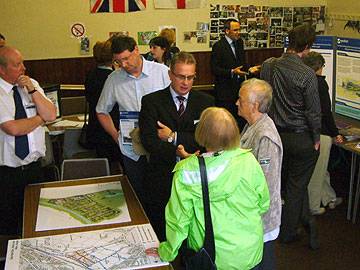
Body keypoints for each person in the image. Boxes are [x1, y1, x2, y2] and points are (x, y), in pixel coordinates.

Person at [158, 107, 270, 270]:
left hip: (213, 259)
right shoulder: (248, 160)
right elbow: (263, 203)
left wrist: (167, 251)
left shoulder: (187, 171)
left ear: (201, 132)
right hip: (250, 253)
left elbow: (178, 221)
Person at [139, 52, 214, 241]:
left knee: (193, 233)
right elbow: (149, 141)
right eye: (181, 76)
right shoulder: (151, 102)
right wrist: (181, 152)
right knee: (162, 232)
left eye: (190, 77)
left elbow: (206, 141)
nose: (186, 82)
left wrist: (173, 137)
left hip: (195, 180)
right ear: (170, 75)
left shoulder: (206, 102)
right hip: (162, 177)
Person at [260, 24, 321, 249]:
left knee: (280, 183)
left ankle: (302, 222)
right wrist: (316, 138)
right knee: (297, 186)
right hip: (301, 137)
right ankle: (287, 232)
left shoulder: (269, 65)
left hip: (274, 136)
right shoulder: (307, 73)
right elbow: (313, 111)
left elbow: (265, 99)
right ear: (307, 47)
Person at [96, 36, 170, 203]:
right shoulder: (114, 79)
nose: (123, 65)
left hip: (159, 143)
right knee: (137, 196)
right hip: (130, 148)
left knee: (161, 195)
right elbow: (101, 111)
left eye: (126, 58)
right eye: (117, 61)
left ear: (136, 50)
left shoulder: (161, 72)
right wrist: (116, 136)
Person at [0, 46, 57, 235]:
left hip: (34, 168)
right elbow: (13, 128)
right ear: (2, 69)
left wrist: (32, 90)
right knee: (11, 227)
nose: (23, 68)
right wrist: (40, 119)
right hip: (8, 174)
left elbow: (51, 113)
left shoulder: (31, 84)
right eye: (17, 65)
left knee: (36, 222)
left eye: (22, 62)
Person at [237, 78, 282, 270]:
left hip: (261, 222)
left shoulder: (266, 137)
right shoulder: (251, 125)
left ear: (254, 105)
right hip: (249, 219)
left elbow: (266, 186)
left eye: (241, 99)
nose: (236, 102)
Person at [303, 52, 344, 215]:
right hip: (321, 134)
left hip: (305, 131)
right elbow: (325, 112)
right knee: (318, 171)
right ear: (318, 67)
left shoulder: (302, 80)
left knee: (321, 169)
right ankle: (313, 206)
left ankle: (329, 198)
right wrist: (335, 133)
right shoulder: (319, 83)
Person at [211, 18, 258, 129]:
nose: (238, 32)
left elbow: (242, 63)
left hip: (239, 90)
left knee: (240, 123)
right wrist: (232, 72)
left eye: (239, 29)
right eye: (235, 30)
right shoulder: (218, 46)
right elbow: (214, 69)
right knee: (226, 124)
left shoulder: (239, 43)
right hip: (225, 93)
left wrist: (250, 69)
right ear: (227, 31)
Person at [85, 40, 122, 173]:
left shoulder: (90, 75)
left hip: (95, 126)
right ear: (113, 57)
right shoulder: (113, 78)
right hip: (113, 127)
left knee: (103, 165)